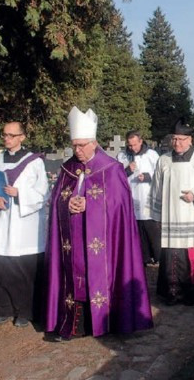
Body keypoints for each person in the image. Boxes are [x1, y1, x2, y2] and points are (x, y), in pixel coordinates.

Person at [44, 107, 153, 340]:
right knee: (75, 276)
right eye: (74, 145)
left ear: (94, 143)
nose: (77, 150)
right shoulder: (67, 169)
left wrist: (89, 205)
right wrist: (68, 205)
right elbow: (56, 201)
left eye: (82, 145)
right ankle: (76, 324)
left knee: (100, 275)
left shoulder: (112, 169)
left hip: (103, 244)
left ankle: (106, 322)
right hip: (73, 242)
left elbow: (119, 205)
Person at [0, 121, 48, 327]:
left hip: (25, 224)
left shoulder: (34, 162)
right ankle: (3, 308)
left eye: (11, 135)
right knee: (2, 267)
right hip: (2, 220)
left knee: (24, 269)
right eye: (4, 134)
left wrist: (20, 194)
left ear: (22, 137)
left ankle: (25, 311)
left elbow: (43, 192)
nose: (6, 138)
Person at [150, 118, 194, 306]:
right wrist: (156, 216)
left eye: (181, 139)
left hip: (193, 216)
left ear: (190, 140)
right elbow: (156, 188)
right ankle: (172, 294)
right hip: (171, 218)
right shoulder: (163, 160)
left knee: (193, 255)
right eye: (175, 139)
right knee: (172, 256)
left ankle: (193, 295)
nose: (177, 143)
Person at [117, 130, 161, 266]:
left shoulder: (152, 155)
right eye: (130, 145)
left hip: (147, 196)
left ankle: (158, 257)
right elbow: (116, 176)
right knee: (137, 231)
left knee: (151, 230)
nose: (132, 148)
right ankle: (143, 258)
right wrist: (127, 170)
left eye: (135, 145)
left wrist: (148, 177)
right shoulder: (122, 156)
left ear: (141, 141)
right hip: (131, 197)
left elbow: (161, 174)